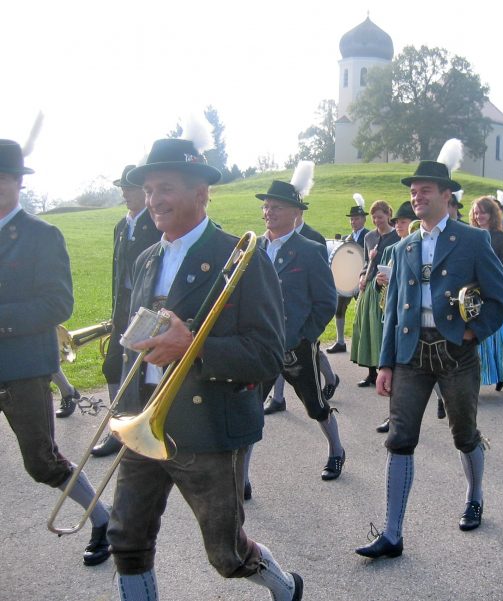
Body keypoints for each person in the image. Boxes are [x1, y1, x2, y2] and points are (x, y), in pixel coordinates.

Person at [107, 134, 303, 600]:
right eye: (150, 189)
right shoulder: (145, 257)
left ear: (201, 193)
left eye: (166, 188)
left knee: (226, 555)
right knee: (126, 541)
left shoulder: (241, 256)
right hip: (144, 420)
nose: (154, 200)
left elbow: (268, 353)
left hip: (207, 426)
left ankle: (285, 587)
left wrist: (192, 345)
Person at [356, 143, 503, 559]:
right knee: (400, 440)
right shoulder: (403, 247)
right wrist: (385, 363)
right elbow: (391, 311)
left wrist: (472, 333)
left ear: (447, 195)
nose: (417, 196)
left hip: (456, 353)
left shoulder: (474, 240)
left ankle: (474, 496)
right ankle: (392, 533)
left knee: (464, 434)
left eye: (426, 190)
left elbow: (501, 296)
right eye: (414, 190)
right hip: (410, 354)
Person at [0, 136, 111, 566]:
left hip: (22, 370)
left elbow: (58, 304)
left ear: (17, 184)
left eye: (2, 180)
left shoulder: (41, 235)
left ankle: (102, 519)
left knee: (43, 463)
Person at [258, 164, 345, 481]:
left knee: (316, 405)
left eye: (276, 207)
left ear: (295, 212)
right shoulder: (255, 247)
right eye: (266, 206)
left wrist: (305, 336)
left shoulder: (309, 250)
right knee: (251, 409)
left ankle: (336, 449)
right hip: (260, 346)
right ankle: (242, 479)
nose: (268, 212)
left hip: (297, 346)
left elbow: (326, 301)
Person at [92, 164, 161, 457]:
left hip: (149, 308)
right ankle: (117, 429)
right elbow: (117, 273)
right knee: (112, 368)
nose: (126, 194)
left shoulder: (156, 222)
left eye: (131, 189)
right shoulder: (122, 226)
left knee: (147, 368)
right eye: (123, 189)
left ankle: (149, 425)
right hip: (124, 307)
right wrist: (114, 312)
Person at [374, 201, 445, 432]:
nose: (398, 226)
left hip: (430, 325)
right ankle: (394, 416)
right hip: (400, 321)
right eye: (396, 223)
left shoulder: (420, 243)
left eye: (402, 222)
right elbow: (389, 285)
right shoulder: (394, 248)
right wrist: (378, 281)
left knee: (433, 373)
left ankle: (444, 398)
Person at [469, 196, 503, 390]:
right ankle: (475, 380)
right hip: (472, 293)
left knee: (495, 339)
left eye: (483, 211)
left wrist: (487, 280)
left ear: (492, 214)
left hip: (493, 292)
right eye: (476, 212)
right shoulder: (469, 235)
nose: (479, 215)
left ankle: (502, 374)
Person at [351, 200, 399, 387]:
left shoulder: (396, 237)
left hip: (386, 288)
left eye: (380, 216)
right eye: (374, 217)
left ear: (388, 215)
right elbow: (365, 263)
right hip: (369, 287)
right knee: (365, 328)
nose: (377, 220)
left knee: (380, 329)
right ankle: (371, 372)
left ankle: (385, 371)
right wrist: (362, 276)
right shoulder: (369, 237)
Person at [327, 201, 370, 353]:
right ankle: (340, 342)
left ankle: (365, 343)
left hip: (362, 280)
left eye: (356, 218)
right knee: (339, 310)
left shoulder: (369, 236)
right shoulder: (346, 238)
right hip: (346, 281)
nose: (353, 222)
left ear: (364, 220)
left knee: (364, 313)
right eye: (351, 219)